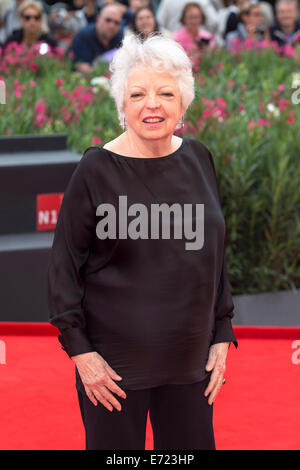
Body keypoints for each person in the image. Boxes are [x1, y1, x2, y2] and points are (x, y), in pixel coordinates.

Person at [48, 33, 238, 451]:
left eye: (165, 92)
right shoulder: (95, 169)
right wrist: (82, 355)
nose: (153, 104)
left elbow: (215, 255)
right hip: (113, 373)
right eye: (138, 93)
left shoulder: (199, 158)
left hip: (190, 366)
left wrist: (222, 331)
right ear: (122, 104)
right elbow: (64, 270)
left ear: (183, 102)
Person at [67, 3, 123, 75]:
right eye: (108, 20)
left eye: (116, 23)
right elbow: (81, 67)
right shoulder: (84, 35)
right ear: (98, 19)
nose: (112, 25)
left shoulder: (119, 36)